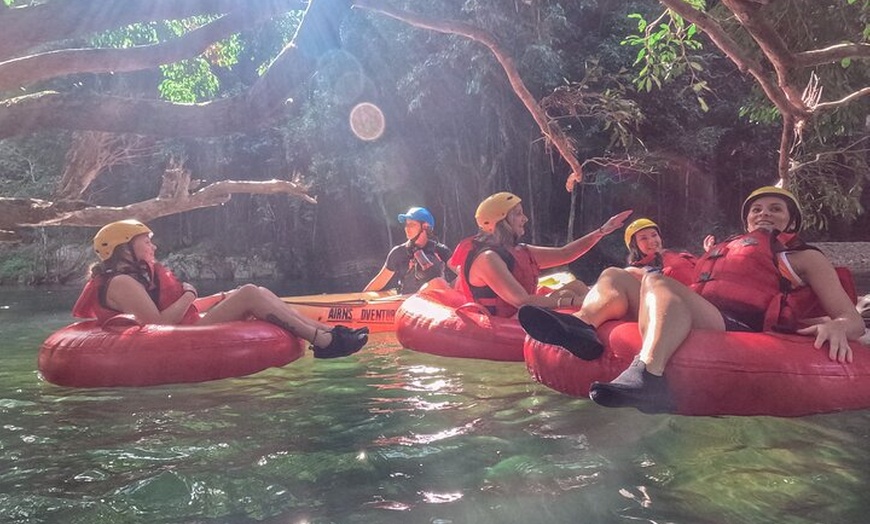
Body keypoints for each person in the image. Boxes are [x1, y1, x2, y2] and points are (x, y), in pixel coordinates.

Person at [519, 186, 865, 413]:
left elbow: (850, 319)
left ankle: (649, 374)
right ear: (746, 218)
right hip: (706, 313)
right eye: (757, 209)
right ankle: (582, 327)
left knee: (657, 282)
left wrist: (838, 326)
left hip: (739, 327)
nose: (764, 213)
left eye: (776, 209)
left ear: (792, 219)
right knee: (614, 275)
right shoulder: (728, 249)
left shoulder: (804, 257)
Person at [72, 219, 367, 359]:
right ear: (125, 247)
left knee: (256, 291)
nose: (153, 246)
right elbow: (157, 324)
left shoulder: (131, 278)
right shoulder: (121, 282)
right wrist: (188, 294)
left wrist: (218, 298)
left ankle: (327, 333)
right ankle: (326, 343)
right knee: (251, 293)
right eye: (146, 241)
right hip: (171, 339)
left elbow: (168, 314)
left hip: (183, 328)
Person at [452, 191, 632, 318]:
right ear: (500, 222)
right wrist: (576, 301)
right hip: (506, 320)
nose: (525, 219)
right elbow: (521, 301)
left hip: (523, 312)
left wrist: (601, 231)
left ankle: (601, 319)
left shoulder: (519, 250)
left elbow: (566, 253)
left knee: (576, 285)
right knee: (574, 295)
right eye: (518, 214)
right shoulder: (487, 258)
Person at [363, 206, 453, 294]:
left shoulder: (441, 251)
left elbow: (463, 275)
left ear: (425, 227)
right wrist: (359, 300)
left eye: (412, 225)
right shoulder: (398, 253)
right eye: (406, 225)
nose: (407, 228)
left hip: (435, 303)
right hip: (406, 304)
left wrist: (446, 285)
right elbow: (379, 282)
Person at [623, 218, 697, 285]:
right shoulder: (635, 274)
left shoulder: (679, 255)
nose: (651, 241)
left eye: (654, 235)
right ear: (634, 246)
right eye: (643, 238)